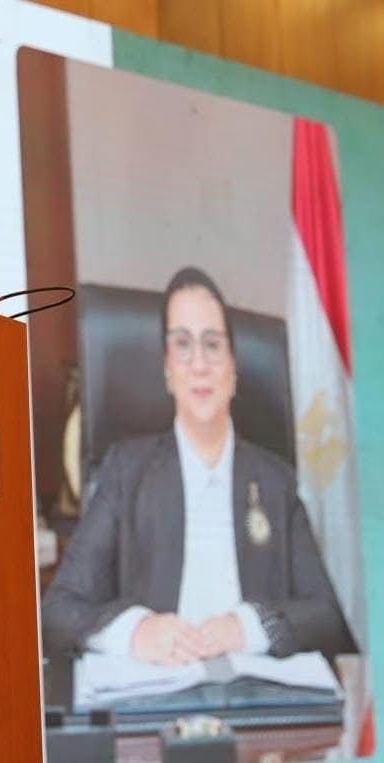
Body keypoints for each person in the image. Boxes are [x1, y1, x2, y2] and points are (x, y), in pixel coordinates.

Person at [42, 266, 354, 666]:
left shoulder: (276, 482)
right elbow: (58, 612)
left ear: (233, 369)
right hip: (157, 691)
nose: (199, 364)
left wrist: (251, 627)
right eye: (183, 345)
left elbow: (327, 618)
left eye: (212, 344)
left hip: (254, 692)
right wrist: (136, 632)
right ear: (167, 370)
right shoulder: (125, 473)